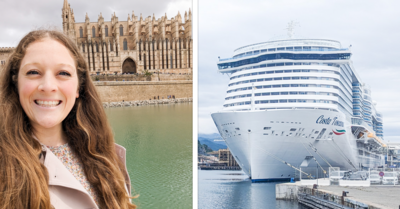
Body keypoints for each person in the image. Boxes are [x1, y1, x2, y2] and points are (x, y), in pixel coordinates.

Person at [0, 30, 136, 209]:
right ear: (16, 83)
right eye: (33, 72)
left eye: (63, 73)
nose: (48, 86)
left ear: (79, 87)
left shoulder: (104, 156)